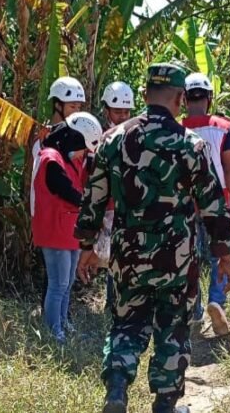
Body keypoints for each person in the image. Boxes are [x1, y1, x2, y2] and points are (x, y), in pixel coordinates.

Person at [76, 63, 230, 413]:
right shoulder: (190, 145)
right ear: (180, 98)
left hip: (128, 255)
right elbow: (212, 205)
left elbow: (93, 198)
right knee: (173, 329)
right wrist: (224, 254)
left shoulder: (112, 140)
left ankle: (117, 389)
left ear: (145, 94)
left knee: (126, 323)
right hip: (176, 258)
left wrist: (87, 247)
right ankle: (165, 404)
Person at [181, 72, 230, 336]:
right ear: (209, 98)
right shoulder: (223, 127)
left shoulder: (176, 128)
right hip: (217, 200)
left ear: (184, 100)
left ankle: (194, 314)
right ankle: (216, 301)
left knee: (190, 260)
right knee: (220, 255)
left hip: (185, 202)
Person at [32, 112, 103, 344]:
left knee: (68, 282)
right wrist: (87, 203)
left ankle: (64, 324)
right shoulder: (50, 158)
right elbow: (62, 188)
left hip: (68, 231)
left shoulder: (69, 159)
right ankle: (55, 333)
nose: (83, 153)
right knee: (58, 284)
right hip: (54, 230)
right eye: (83, 147)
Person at [96, 82, 136, 312]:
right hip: (110, 206)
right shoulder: (102, 138)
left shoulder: (136, 135)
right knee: (112, 257)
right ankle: (113, 302)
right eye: (117, 111)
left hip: (131, 206)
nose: (122, 116)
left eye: (126, 112)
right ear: (107, 111)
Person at [30, 76, 87, 217]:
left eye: (79, 107)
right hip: (52, 217)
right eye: (72, 106)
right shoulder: (42, 140)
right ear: (58, 105)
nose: (76, 112)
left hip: (70, 218)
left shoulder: (78, 135)